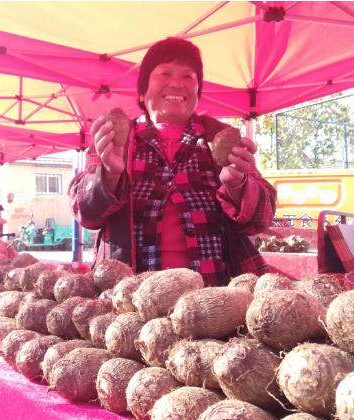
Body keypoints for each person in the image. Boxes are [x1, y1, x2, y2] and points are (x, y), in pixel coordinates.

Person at [69, 37, 277, 286]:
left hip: (214, 295)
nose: (177, 83)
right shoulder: (115, 140)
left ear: (198, 91)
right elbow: (86, 215)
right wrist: (110, 176)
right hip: (130, 298)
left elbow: (262, 219)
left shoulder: (221, 139)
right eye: (165, 73)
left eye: (188, 77)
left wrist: (238, 185)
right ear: (143, 90)